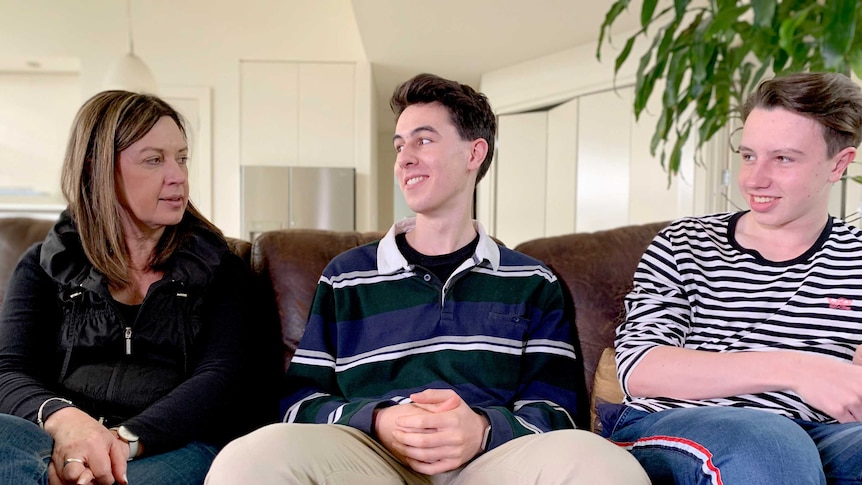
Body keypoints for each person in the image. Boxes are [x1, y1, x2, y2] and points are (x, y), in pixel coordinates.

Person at [205, 73, 648, 484]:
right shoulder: (345, 277)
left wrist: (478, 429)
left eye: (424, 140)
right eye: (399, 146)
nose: (405, 159)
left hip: (491, 463)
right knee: (246, 460)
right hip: (368, 458)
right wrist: (378, 420)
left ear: (475, 152)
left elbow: (557, 412)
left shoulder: (532, 280)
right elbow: (298, 404)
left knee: (607, 466)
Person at [601, 71, 862, 484]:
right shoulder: (684, 242)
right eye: (748, 155)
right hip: (679, 421)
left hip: (820, 432)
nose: (754, 179)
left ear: (839, 164)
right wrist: (799, 369)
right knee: (771, 443)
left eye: (783, 158)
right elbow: (639, 367)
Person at [0, 90, 258, 485]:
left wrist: (119, 443)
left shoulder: (222, 269)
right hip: (56, 437)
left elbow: (221, 379)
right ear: (95, 169)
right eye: (154, 160)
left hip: (170, 445)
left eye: (182, 158)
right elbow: (9, 371)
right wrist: (68, 424)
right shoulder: (42, 265)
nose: (179, 176)